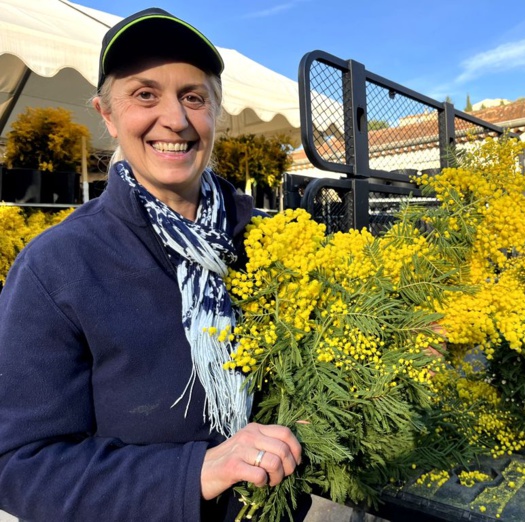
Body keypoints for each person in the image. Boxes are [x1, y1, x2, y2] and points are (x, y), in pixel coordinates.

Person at [0, 8, 309, 521]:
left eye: (194, 97)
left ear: (215, 114)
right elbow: (21, 466)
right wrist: (198, 472)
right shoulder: (57, 268)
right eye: (145, 95)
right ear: (106, 114)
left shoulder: (266, 243)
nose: (176, 119)